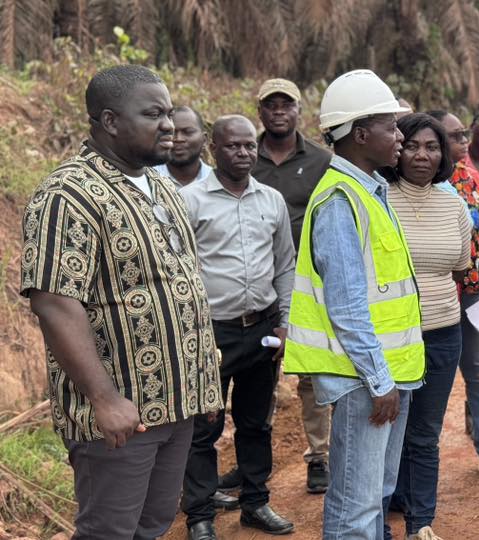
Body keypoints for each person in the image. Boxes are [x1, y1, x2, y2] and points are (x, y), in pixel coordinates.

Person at [20, 64, 223, 538]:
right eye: (154, 114)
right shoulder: (67, 194)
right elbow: (54, 302)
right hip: (121, 416)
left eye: (169, 113)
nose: (169, 125)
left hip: (177, 404)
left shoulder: (164, 187)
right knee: (108, 531)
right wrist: (105, 398)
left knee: (153, 525)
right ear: (110, 121)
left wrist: (203, 383)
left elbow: (181, 283)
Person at [282, 69, 424, 539]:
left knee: (375, 493)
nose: (400, 136)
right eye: (391, 126)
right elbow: (346, 308)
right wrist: (380, 381)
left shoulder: (369, 191)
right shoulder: (341, 200)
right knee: (356, 505)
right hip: (365, 379)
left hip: (384, 375)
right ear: (361, 135)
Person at [179, 115, 297, 539]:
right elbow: (179, 271)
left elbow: (285, 266)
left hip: (261, 329)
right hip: (211, 333)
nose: (244, 153)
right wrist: (192, 334)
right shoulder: (189, 201)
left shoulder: (272, 200)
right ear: (214, 149)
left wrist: (285, 324)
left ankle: (255, 502)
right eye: (233, 146)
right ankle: (199, 515)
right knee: (203, 428)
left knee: (255, 422)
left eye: (249, 145)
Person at [227, 78, 333, 496]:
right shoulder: (244, 157)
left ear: (298, 110)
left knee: (311, 372)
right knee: (257, 375)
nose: (278, 111)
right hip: (254, 284)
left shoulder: (321, 160)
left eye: (286, 104)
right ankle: (252, 463)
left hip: (309, 282)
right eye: (270, 105)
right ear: (260, 112)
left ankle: (319, 456)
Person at [382, 113, 472, 540]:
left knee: (424, 433)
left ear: (443, 155)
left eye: (432, 147)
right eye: (413, 145)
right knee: (385, 430)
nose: (422, 155)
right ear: (397, 150)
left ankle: (421, 522)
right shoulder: (379, 198)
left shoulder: (454, 204)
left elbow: (460, 268)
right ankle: (379, 516)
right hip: (390, 335)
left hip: (443, 333)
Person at [427, 109, 479, 481]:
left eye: (464, 133)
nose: (462, 140)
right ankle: (419, 453)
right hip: (428, 296)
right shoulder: (410, 182)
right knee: (426, 373)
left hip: (472, 295)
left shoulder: (475, 179)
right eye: (454, 135)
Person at [154, 105, 213, 188]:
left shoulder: (216, 181)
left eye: (188, 132)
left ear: (204, 140)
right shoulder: (147, 177)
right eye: (171, 132)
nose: (179, 139)